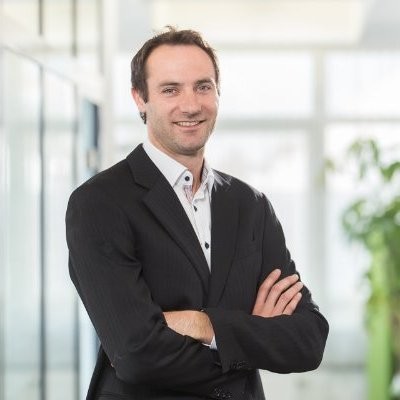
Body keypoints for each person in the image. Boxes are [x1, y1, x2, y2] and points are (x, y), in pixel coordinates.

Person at [66, 26, 329, 400]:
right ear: (140, 98)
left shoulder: (250, 205)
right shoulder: (99, 203)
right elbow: (137, 355)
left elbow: (309, 339)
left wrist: (202, 324)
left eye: (203, 87)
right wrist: (251, 337)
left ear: (218, 93)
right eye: (170, 90)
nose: (190, 105)